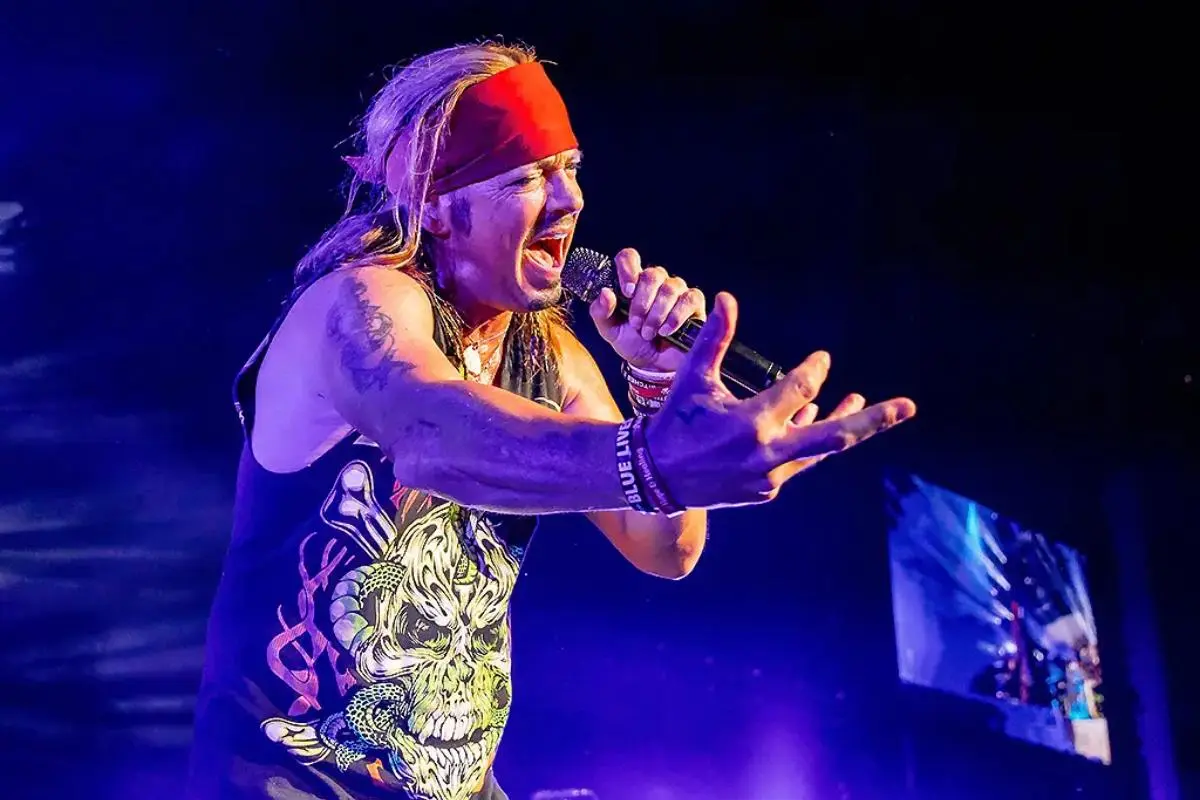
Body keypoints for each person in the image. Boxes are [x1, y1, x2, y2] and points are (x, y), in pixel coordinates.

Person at [186, 40, 916, 800]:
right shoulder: (357, 306)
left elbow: (666, 546)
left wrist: (661, 388)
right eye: (530, 176)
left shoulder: (549, 358)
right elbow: (432, 435)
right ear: (437, 203)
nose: (569, 201)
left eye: (569, 168)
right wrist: (654, 460)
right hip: (291, 782)